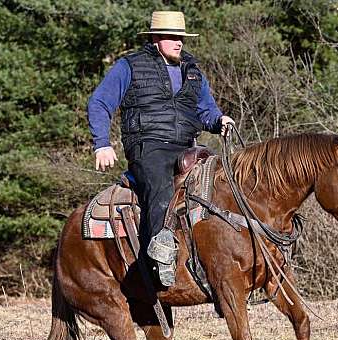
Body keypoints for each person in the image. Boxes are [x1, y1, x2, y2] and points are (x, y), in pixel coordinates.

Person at [87, 10, 234, 287]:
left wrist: (219, 120)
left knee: (221, 182)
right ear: (155, 38)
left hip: (188, 146)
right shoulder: (130, 65)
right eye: (172, 37)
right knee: (160, 186)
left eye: (181, 37)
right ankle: (158, 260)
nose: (178, 42)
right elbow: (99, 103)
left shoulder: (192, 70)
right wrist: (102, 145)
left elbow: (206, 110)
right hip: (148, 146)